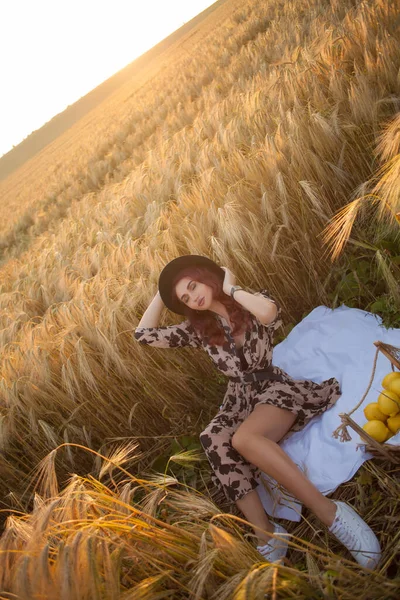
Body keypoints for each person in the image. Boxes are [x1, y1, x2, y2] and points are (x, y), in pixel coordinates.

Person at [134, 255, 381, 568]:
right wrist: (163, 289)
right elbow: (143, 336)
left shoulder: (251, 301)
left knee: (244, 440)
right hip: (239, 398)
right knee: (212, 437)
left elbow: (269, 312)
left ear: (206, 277)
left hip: (274, 387)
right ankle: (267, 535)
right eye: (184, 298)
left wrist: (231, 286)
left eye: (193, 285)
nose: (193, 297)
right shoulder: (197, 329)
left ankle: (331, 514)